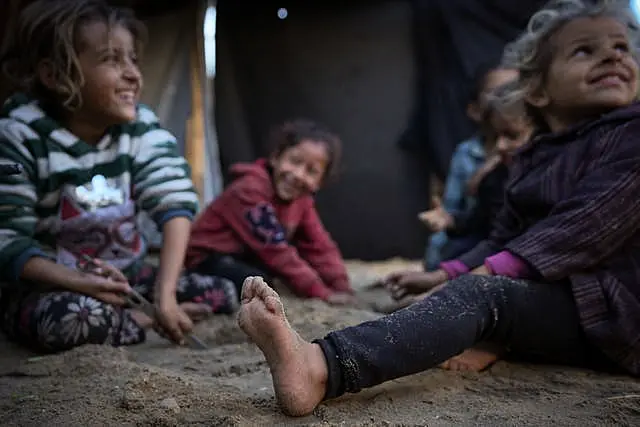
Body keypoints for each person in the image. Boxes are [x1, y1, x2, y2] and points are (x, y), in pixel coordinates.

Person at [237, 0, 640, 416]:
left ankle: (320, 368)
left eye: (622, 48)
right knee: (459, 297)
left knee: (480, 297)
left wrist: (468, 282)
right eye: (584, 50)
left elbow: (580, 231)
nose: (613, 55)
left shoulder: (631, 136)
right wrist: (441, 274)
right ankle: (462, 325)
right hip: (561, 309)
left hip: (614, 318)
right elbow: (501, 238)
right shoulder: (536, 155)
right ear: (537, 89)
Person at [0, 0, 238, 354]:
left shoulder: (139, 127)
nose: (133, 74)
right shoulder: (21, 134)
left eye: (133, 60)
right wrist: (80, 281)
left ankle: (134, 315)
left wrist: (166, 296)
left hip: (124, 274)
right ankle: (136, 321)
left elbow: (173, 204)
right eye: (112, 59)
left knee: (225, 291)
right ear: (54, 75)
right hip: (48, 283)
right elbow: (8, 241)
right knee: (75, 320)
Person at [387, 91, 534, 310]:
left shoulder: (547, 182)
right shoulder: (496, 177)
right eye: (495, 138)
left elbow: (523, 251)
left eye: (511, 136)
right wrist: (440, 274)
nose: (500, 147)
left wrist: (444, 288)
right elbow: (492, 233)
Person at [185, 119, 354, 306]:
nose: (298, 174)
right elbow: (275, 250)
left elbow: (319, 245)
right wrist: (322, 293)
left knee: (277, 275)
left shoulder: (302, 201)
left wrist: (341, 285)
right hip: (205, 260)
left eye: (311, 171)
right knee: (257, 284)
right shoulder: (249, 190)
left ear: (320, 183)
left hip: (246, 256)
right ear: (275, 157)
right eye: (294, 161)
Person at [421, 64, 518, 271]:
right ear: (474, 109)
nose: (506, 98)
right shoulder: (469, 155)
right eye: (496, 92)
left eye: (514, 89)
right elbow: (464, 214)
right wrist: (448, 221)